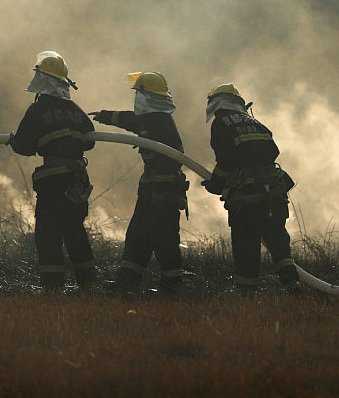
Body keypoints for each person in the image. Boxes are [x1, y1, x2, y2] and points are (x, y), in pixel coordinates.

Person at [91, 71, 188, 294]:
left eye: (139, 93)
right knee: (138, 235)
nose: (136, 98)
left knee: (164, 239)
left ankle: (172, 289)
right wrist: (105, 115)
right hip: (150, 189)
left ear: (148, 96)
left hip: (163, 190)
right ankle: (127, 284)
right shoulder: (152, 120)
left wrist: (161, 193)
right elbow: (131, 121)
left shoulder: (162, 122)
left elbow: (172, 158)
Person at [9, 51, 97, 293]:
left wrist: (14, 141)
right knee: (75, 231)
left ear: (41, 80)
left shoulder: (37, 110)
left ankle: (53, 288)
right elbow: (90, 140)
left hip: (53, 184)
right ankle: (88, 284)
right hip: (77, 182)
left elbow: (24, 147)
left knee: (48, 234)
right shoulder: (75, 110)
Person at [201, 84, 298, 296]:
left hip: (247, 200)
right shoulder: (257, 123)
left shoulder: (221, 124)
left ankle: (247, 296)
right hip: (273, 194)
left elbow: (225, 161)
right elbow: (273, 151)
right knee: (278, 242)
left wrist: (215, 184)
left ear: (216, 102)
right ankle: (293, 286)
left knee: (246, 247)